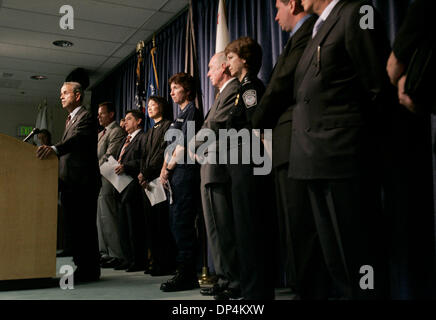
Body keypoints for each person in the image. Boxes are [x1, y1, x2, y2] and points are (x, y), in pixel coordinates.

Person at [289, 0, 392, 299]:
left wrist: (365, 148)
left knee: (361, 261)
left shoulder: (359, 12)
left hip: (346, 158)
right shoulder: (317, 28)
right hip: (314, 159)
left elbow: (378, 85)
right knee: (337, 263)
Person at [251, 0, 319, 296]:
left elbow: (280, 84)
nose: (276, 17)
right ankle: (303, 286)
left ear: (292, 5)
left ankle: (309, 289)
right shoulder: (296, 38)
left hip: (294, 141)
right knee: (293, 226)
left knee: (301, 225)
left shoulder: (308, 34)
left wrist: (256, 120)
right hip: (284, 144)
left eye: (278, 8)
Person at [222, 37, 274, 300]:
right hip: (240, 164)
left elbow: (256, 123)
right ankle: (250, 287)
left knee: (250, 229)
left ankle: (256, 293)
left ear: (244, 59)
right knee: (243, 228)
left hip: (249, 163)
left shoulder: (250, 86)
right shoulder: (242, 88)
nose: (226, 63)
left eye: (230, 57)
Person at [36, 81, 101, 283]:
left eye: (65, 93)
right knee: (75, 228)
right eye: (61, 93)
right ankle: (83, 266)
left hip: (83, 183)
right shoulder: (70, 119)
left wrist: (54, 149)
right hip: (70, 183)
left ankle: (89, 270)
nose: (61, 97)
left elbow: (78, 141)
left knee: (84, 228)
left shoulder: (86, 117)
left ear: (78, 96)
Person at [194, 52, 241, 298]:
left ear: (224, 66)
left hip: (220, 168)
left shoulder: (234, 89)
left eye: (211, 68)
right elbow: (206, 126)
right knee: (215, 229)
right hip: (210, 167)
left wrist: (192, 144)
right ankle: (225, 277)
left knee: (223, 228)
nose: (209, 73)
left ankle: (232, 280)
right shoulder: (221, 94)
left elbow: (217, 124)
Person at [159, 72, 203, 292]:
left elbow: (184, 146)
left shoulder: (192, 112)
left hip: (185, 174)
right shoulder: (179, 115)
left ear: (187, 89)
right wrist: (163, 170)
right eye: (171, 88)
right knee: (175, 224)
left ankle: (187, 275)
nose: (172, 92)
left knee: (183, 224)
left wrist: (167, 169)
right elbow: (170, 147)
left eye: (176, 87)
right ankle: (183, 270)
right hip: (174, 174)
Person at [138, 96, 176, 276]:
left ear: (162, 107)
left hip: (159, 179)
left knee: (161, 224)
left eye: (154, 105)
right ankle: (154, 261)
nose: (150, 108)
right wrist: (142, 174)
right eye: (149, 105)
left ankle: (165, 263)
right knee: (150, 224)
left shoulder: (168, 125)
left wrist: (147, 173)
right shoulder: (148, 131)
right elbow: (144, 156)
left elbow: (163, 152)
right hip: (147, 182)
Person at [113, 109, 148, 272]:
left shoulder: (143, 137)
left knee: (135, 226)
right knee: (123, 225)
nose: (124, 122)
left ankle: (138, 260)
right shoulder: (125, 139)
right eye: (124, 119)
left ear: (139, 121)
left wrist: (126, 166)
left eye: (128, 119)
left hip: (133, 186)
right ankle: (128, 258)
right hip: (120, 186)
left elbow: (143, 160)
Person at [96, 102, 127, 269]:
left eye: (102, 113)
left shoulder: (116, 131)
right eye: (98, 114)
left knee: (109, 218)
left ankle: (116, 254)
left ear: (111, 114)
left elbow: (110, 155)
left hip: (109, 179)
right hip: (98, 180)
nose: (99, 116)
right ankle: (105, 252)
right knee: (100, 218)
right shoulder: (101, 133)